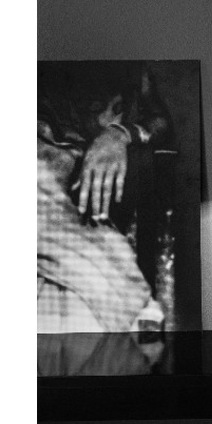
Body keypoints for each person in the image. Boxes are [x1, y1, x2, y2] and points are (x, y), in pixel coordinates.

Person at [37, 62, 175, 334]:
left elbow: (160, 120)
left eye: (119, 108)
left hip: (67, 178)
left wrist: (120, 134)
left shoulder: (129, 67)